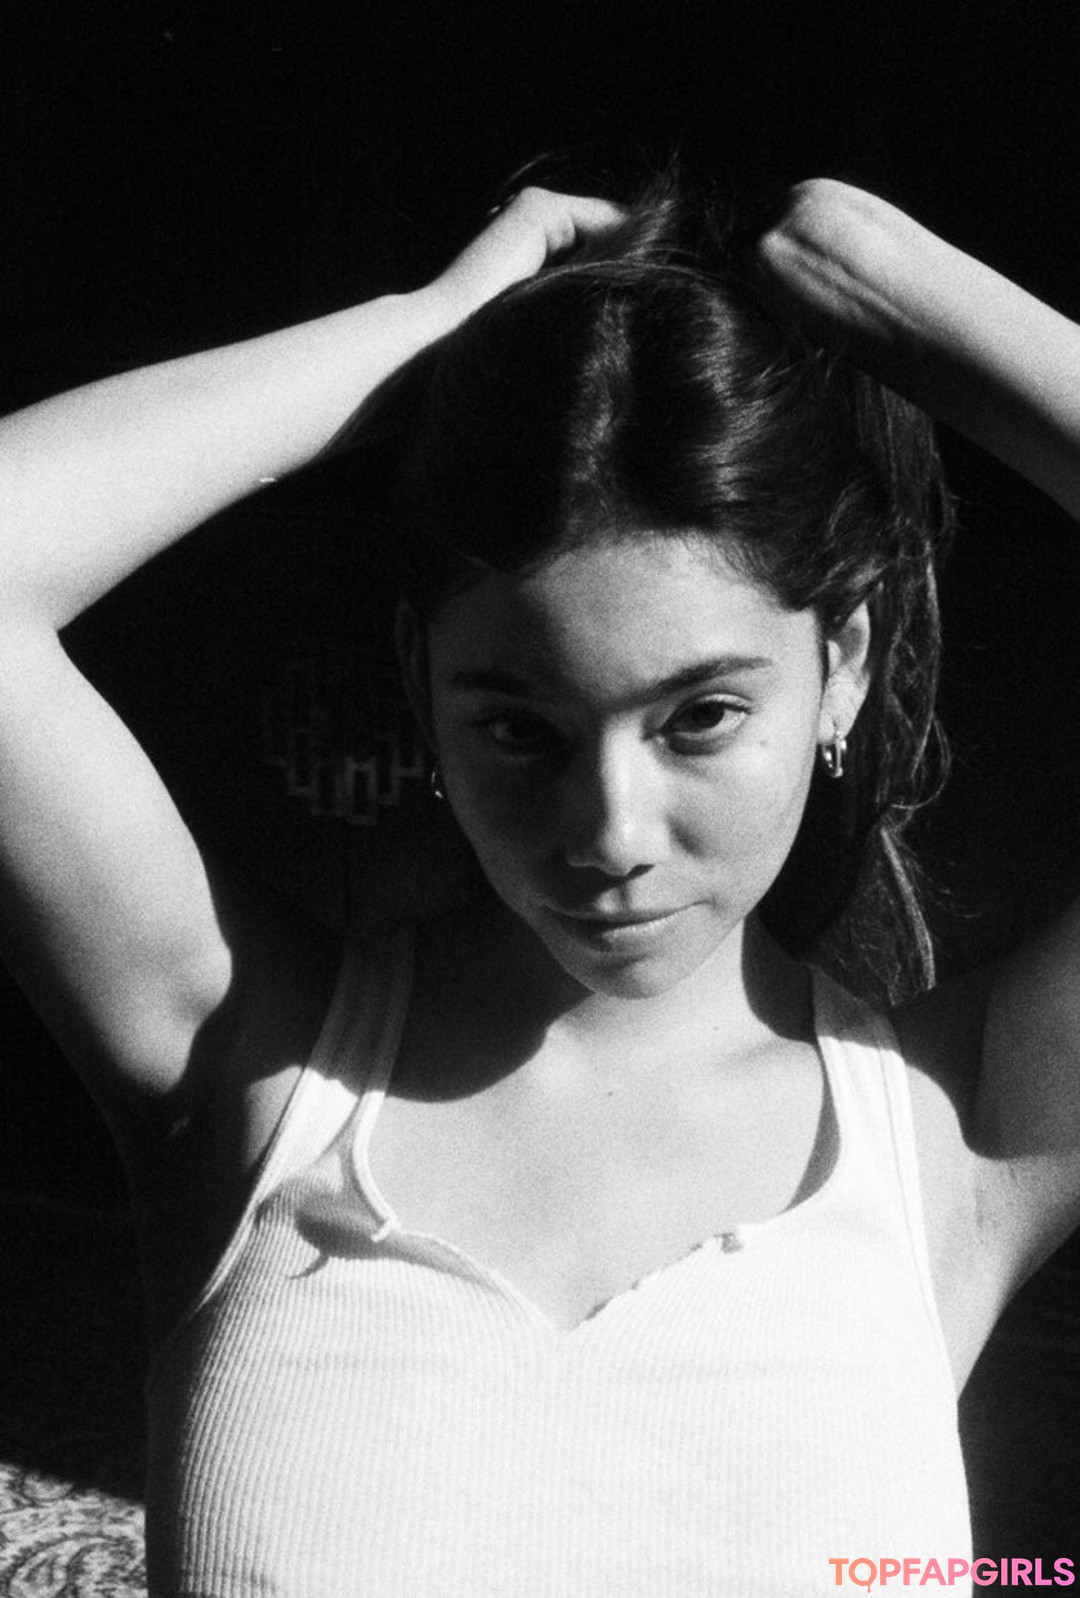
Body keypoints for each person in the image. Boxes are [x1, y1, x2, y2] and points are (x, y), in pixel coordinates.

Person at [1, 171, 1079, 1596]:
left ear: (846, 666)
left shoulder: (957, 1134)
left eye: (701, 717)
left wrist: (881, 277)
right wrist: (425, 334)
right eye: (521, 727)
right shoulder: (249, 1062)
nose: (609, 831)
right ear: (421, 685)